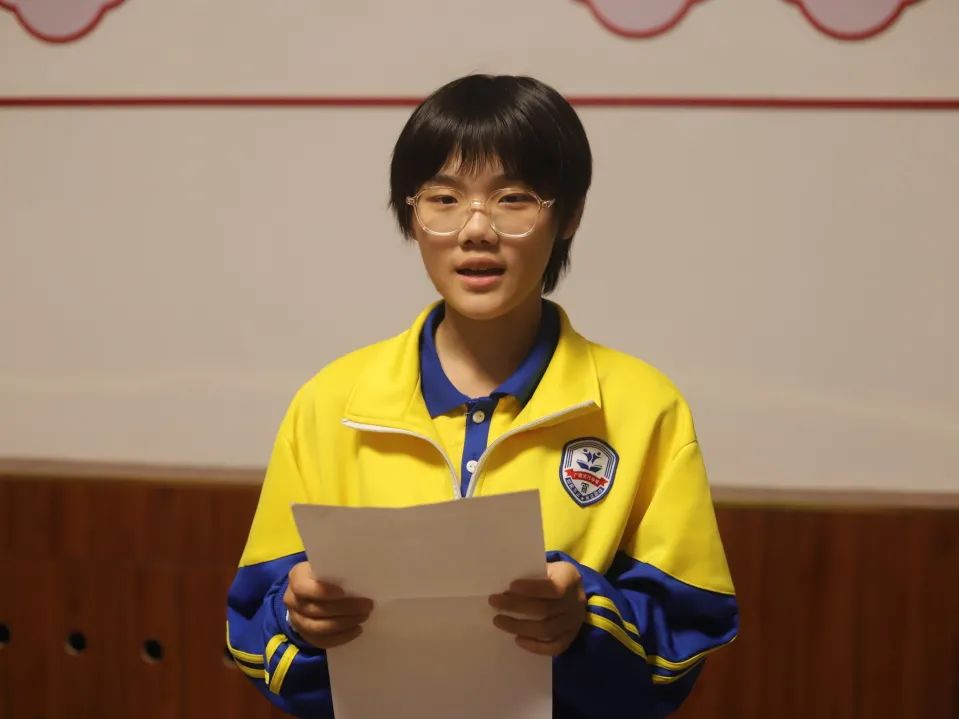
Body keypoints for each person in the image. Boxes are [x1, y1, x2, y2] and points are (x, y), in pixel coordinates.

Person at [226, 73, 738, 718]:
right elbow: (251, 627)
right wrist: (298, 619)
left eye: (513, 198)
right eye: (443, 198)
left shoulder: (644, 409)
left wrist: (585, 617)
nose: (475, 229)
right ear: (411, 214)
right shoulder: (330, 403)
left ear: (570, 214)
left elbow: (687, 636)